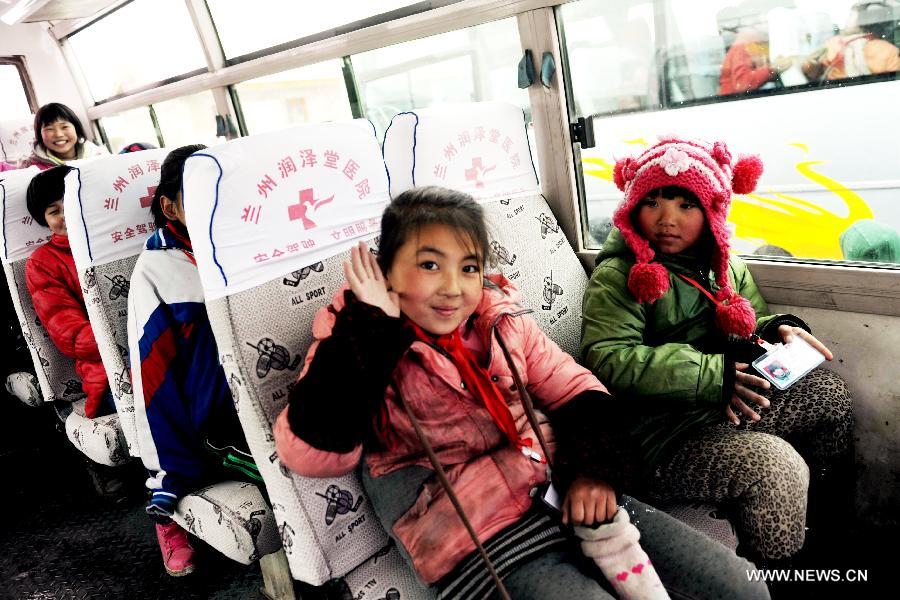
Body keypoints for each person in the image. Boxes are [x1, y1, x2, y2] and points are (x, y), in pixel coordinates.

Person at [274, 186, 770, 599]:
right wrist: (372, 328)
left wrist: (594, 472)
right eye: (429, 265)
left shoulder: (498, 318)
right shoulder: (354, 339)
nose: (453, 288)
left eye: (468, 267)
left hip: (561, 493)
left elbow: (577, 386)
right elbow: (312, 453)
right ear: (387, 270)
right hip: (473, 534)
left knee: (742, 587)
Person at [580, 137, 854, 563]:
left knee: (828, 393)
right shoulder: (621, 276)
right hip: (661, 436)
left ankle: (824, 526)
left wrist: (780, 330)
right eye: (652, 201)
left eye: (685, 205)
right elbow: (610, 358)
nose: (666, 219)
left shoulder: (724, 263)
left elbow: (747, 323)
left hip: (725, 400)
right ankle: (782, 578)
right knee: (776, 468)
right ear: (633, 207)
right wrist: (713, 377)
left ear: (711, 211)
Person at [127, 144, 261, 577]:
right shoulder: (155, 271)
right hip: (220, 420)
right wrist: (170, 477)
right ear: (170, 207)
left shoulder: (253, 240)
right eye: (200, 195)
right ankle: (171, 518)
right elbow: (154, 380)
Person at [25, 165, 113, 419]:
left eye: (73, 203)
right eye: (55, 211)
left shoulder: (117, 242)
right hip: (108, 372)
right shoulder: (42, 263)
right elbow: (70, 334)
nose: (67, 215)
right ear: (45, 220)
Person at [801, 2, 900, 82]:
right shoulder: (890, 50)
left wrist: (807, 63)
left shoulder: (835, 44)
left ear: (861, 20)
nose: (846, 21)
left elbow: (809, 70)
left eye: (850, 16)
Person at [18, 103, 107, 170]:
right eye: (49, 129)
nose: (58, 134)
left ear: (76, 128)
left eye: (64, 127)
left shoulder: (97, 155)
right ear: (40, 135)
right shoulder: (30, 167)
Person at [718, 25, 793, 95]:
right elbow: (742, 83)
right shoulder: (742, 47)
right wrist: (772, 69)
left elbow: (755, 71)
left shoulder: (745, 45)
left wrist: (772, 68)